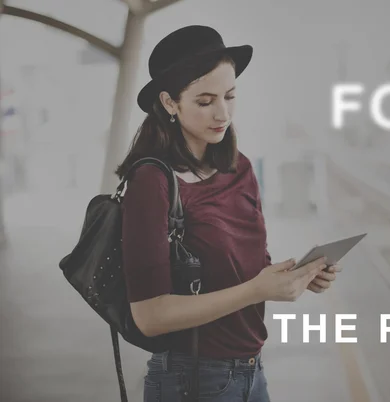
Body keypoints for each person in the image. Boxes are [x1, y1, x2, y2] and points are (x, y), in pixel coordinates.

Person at [115, 25, 341, 402]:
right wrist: (255, 290)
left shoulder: (240, 169)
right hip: (191, 380)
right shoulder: (152, 182)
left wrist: (300, 275)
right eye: (205, 101)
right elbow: (150, 317)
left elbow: (248, 267)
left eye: (230, 96)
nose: (222, 113)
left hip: (252, 373)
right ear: (170, 103)